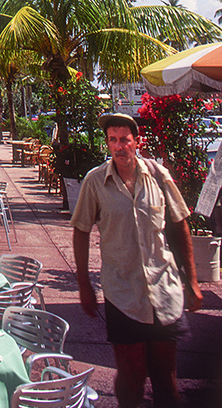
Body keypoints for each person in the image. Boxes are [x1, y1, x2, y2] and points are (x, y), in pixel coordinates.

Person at [71, 112, 203, 408]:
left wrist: (192, 280)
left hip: (164, 291)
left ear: (137, 142)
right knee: (132, 378)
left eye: (124, 140)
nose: (118, 147)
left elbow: (180, 223)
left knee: (166, 379)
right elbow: (81, 231)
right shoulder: (95, 181)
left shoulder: (158, 175)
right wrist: (84, 286)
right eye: (112, 140)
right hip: (123, 294)